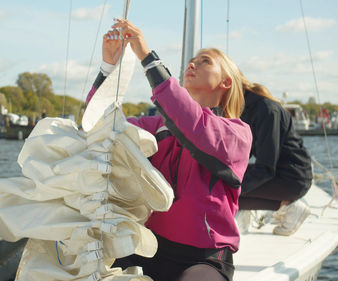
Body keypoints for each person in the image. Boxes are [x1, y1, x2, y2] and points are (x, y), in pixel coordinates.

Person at [86, 19, 252, 281]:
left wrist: (147, 57)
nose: (192, 64)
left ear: (226, 83)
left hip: (203, 257)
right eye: (192, 60)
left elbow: (196, 126)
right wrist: (108, 66)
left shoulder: (237, 134)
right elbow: (100, 125)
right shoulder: (156, 127)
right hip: (148, 247)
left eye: (205, 61)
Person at [238, 76, 313, 236]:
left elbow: (266, 167)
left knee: (226, 192)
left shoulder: (266, 110)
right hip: (281, 172)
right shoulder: (249, 109)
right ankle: (286, 206)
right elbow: (245, 152)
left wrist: (233, 186)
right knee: (221, 188)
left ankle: (289, 207)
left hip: (292, 178)